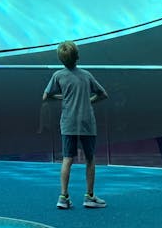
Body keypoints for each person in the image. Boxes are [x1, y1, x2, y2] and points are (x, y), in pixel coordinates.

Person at [43, 40, 109, 210]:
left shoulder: (58, 75)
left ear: (61, 59)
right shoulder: (86, 75)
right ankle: (89, 196)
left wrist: (62, 97)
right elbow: (103, 94)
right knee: (90, 159)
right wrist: (88, 101)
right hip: (87, 122)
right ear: (77, 56)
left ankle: (63, 197)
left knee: (67, 159)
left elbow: (46, 96)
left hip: (68, 123)